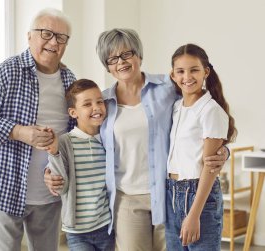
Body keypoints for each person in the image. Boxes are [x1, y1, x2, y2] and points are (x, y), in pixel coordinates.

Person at [45, 28, 229, 251]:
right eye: (112, 58)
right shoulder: (103, 102)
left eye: (126, 54)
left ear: (139, 55)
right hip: (127, 199)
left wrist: (224, 151)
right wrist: (51, 168)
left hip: (168, 194)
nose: (120, 62)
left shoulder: (167, 88)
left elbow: (201, 118)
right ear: (107, 66)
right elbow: (79, 135)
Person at [0, 8, 76, 251]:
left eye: (61, 37)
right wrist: (17, 131)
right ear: (29, 36)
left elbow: (74, 137)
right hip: (4, 189)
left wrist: (59, 167)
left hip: (49, 196)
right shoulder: (7, 72)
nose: (53, 42)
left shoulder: (70, 81)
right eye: (46, 33)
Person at [165, 44, 237, 251]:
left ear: (206, 71)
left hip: (199, 196)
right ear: (173, 75)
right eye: (180, 71)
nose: (187, 76)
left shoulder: (210, 110)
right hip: (171, 192)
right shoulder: (177, 107)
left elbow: (210, 167)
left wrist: (194, 214)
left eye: (194, 70)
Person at [46, 79, 115, 251]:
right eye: (87, 104)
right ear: (73, 112)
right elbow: (61, 187)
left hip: (105, 226)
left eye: (99, 101)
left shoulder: (108, 139)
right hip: (77, 232)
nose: (96, 107)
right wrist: (54, 153)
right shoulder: (64, 142)